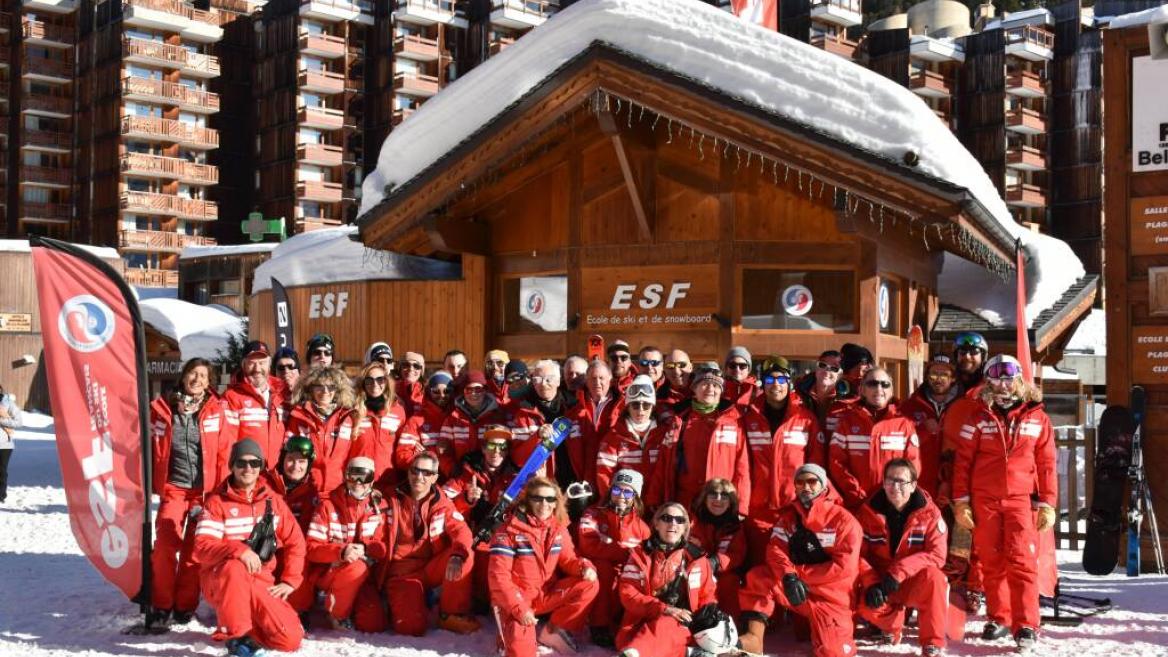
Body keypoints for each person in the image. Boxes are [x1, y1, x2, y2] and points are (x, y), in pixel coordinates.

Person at [951, 355, 1056, 653]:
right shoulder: (977, 417)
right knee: (991, 561)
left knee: (1021, 561)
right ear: (987, 381)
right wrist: (961, 503)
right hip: (984, 499)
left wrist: (1047, 502)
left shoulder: (1037, 417)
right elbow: (963, 463)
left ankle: (1026, 624)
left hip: (1021, 500)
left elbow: (1047, 463)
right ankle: (999, 617)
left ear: (1020, 378)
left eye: (1008, 377)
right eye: (995, 377)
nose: (1003, 384)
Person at [193, 438, 306, 656]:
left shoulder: (272, 502)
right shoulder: (217, 502)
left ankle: (248, 627)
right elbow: (201, 547)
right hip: (222, 580)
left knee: (290, 639)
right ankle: (236, 638)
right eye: (241, 463)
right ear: (232, 466)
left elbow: (295, 541)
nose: (248, 468)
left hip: (260, 580)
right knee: (234, 568)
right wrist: (239, 550)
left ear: (261, 467)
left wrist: (290, 580)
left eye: (254, 463)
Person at [738, 463, 861, 657]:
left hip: (830, 598)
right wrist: (788, 576)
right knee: (758, 577)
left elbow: (842, 567)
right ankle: (753, 638)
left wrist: (797, 575)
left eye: (812, 481)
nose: (806, 487)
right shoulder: (788, 518)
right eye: (800, 482)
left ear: (824, 486)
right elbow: (775, 549)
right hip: (796, 589)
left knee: (833, 652)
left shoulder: (844, 521)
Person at [147, 358, 233, 625]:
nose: (197, 380)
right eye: (193, 374)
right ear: (183, 376)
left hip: (203, 494)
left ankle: (184, 605)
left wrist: (220, 492)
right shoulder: (162, 408)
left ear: (209, 383)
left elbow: (225, 452)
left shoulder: (216, 410)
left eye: (203, 376)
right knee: (163, 546)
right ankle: (161, 603)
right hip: (173, 489)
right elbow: (146, 446)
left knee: (194, 550)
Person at [488, 477, 599, 657]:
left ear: (557, 502)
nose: (544, 504)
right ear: (527, 500)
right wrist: (519, 609)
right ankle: (507, 638)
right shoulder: (508, 531)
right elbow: (498, 577)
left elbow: (569, 559)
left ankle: (553, 631)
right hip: (514, 601)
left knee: (589, 584)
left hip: (542, 594)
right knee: (520, 652)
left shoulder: (557, 527)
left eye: (550, 499)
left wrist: (584, 567)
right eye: (537, 498)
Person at [381, 452, 480, 635]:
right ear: (409, 472)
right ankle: (406, 600)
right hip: (402, 573)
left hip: (429, 568)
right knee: (411, 628)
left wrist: (458, 554)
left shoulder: (441, 502)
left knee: (464, 554)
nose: (419, 477)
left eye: (426, 473)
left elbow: (461, 531)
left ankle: (450, 614)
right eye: (415, 470)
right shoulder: (389, 498)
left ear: (435, 477)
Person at [856, 459, 948, 656]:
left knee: (936, 579)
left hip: (910, 580)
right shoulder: (868, 512)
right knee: (860, 600)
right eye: (890, 481)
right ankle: (893, 624)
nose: (894, 487)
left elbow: (938, 555)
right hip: (881, 581)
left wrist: (899, 572)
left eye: (901, 482)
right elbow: (856, 555)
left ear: (913, 485)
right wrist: (871, 582)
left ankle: (933, 642)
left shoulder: (930, 513)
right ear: (883, 483)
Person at [740, 357, 821, 562]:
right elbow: (742, 463)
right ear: (763, 384)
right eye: (769, 380)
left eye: (781, 380)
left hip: (793, 507)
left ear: (789, 383)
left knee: (790, 568)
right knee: (759, 568)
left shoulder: (805, 419)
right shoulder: (749, 418)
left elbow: (816, 464)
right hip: (758, 510)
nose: (775, 385)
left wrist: (811, 501)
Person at [645, 363, 751, 517]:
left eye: (715, 385)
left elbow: (743, 466)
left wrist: (741, 506)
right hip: (685, 501)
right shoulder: (680, 420)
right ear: (694, 388)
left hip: (719, 501)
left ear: (721, 391)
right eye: (704, 384)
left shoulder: (733, 420)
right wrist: (654, 497)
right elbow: (664, 461)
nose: (710, 389)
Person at [615, 503, 718, 657]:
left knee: (664, 626)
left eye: (679, 520)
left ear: (685, 527)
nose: (673, 523)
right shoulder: (640, 554)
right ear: (656, 524)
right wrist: (663, 609)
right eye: (666, 518)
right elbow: (628, 594)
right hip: (641, 620)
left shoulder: (697, 559)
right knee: (631, 639)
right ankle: (687, 653)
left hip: (683, 624)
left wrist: (705, 622)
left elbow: (708, 595)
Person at [304, 456, 388, 632]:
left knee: (372, 623)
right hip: (331, 570)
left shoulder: (379, 508)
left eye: (364, 477)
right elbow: (311, 548)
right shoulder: (328, 506)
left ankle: (347, 602)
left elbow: (383, 546)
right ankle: (337, 615)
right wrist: (341, 551)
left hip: (364, 575)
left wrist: (365, 548)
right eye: (353, 476)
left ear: (372, 479)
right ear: (345, 476)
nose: (358, 482)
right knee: (356, 567)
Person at [441, 425, 518, 601]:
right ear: (483, 448)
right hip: (471, 537)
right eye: (491, 446)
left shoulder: (515, 478)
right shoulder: (467, 473)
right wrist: (466, 500)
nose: (496, 452)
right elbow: (441, 504)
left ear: (507, 452)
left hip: (500, 540)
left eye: (502, 447)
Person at [828, 368, 921, 511]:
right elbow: (836, 463)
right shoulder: (847, 422)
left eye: (885, 384)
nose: (879, 388)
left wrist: (895, 493)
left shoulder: (904, 425)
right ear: (862, 390)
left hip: (893, 504)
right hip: (856, 504)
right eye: (872, 384)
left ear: (891, 391)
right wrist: (855, 492)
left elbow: (912, 465)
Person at [578, 469, 651, 647]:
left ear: (635, 496)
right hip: (594, 568)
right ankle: (599, 625)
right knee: (604, 569)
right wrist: (623, 553)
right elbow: (588, 544)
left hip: (625, 572)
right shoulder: (593, 514)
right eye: (617, 490)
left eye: (628, 492)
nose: (621, 496)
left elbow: (644, 557)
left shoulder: (641, 527)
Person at [285, 366, 357, 494]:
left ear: (338, 391)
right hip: (307, 491)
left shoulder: (347, 418)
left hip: (339, 491)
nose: (325, 391)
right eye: (319, 386)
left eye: (331, 387)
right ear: (310, 389)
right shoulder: (298, 416)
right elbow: (288, 454)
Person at [899, 355, 962, 499]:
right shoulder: (910, 406)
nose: (938, 379)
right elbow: (899, 440)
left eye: (944, 375)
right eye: (933, 374)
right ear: (926, 377)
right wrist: (923, 430)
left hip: (954, 482)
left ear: (953, 378)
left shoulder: (963, 406)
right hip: (920, 480)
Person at [595, 376, 667, 493]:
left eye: (646, 405)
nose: (640, 410)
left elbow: (668, 474)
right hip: (625, 503)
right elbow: (604, 476)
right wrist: (615, 504)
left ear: (653, 407)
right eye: (635, 405)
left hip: (656, 503)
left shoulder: (663, 434)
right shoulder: (614, 436)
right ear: (628, 407)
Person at [507, 359, 579, 474]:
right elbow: (517, 458)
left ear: (558, 381)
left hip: (574, 481)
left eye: (548, 379)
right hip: (542, 483)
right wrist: (537, 437)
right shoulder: (524, 413)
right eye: (537, 379)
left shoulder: (575, 409)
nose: (543, 384)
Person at [689, 479, 747, 618]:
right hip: (697, 570)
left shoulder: (735, 526)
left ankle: (729, 624)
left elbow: (737, 555)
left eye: (724, 495)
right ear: (705, 497)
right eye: (713, 494)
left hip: (723, 572)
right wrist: (704, 564)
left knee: (729, 581)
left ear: (731, 501)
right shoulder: (693, 522)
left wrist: (716, 561)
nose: (718, 499)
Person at [223, 340, 288, 463]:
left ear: (269, 365)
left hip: (276, 475)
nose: (257, 369)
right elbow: (227, 444)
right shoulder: (232, 397)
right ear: (243, 365)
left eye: (262, 363)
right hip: (247, 473)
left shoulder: (282, 395)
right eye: (251, 363)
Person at [350, 361, 408, 489]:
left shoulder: (397, 411)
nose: (375, 384)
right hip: (359, 481)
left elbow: (403, 447)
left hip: (388, 482)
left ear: (386, 382)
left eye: (380, 379)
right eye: (369, 380)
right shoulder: (353, 412)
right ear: (363, 383)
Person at [439, 370, 506, 476]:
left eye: (478, 389)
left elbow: (505, 448)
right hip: (462, 476)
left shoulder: (496, 417)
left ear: (485, 390)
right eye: (468, 389)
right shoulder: (453, 419)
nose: (473, 393)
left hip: (491, 476)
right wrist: (452, 469)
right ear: (463, 392)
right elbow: (443, 450)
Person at [395, 371, 453, 475]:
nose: (442, 395)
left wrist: (425, 452)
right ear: (428, 392)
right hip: (425, 480)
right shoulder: (417, 420)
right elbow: (401, 457)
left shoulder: (457, 417)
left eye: (447, 391)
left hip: (452, 479)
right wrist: (431, 454)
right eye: (436, 391)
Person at [794, 350, 847, 448]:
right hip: (804, 452)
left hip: (834, 455)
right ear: (817, 368)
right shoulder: (798, 393)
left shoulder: (847, 400)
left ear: (841, 375)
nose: (827, 370)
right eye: (823, 365)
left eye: (834, 368)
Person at [0, 383, 23, 504]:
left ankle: (1, 495)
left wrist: (1, 420)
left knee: (1, 470)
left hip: (4, 445)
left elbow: (19, 422)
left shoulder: (8, 404)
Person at [395, 351, 427, 416]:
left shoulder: (428, 392)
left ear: (421, 371)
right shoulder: (391, 390)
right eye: (406, 365)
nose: (411, 369)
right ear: (400, 369)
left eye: (416, 366)